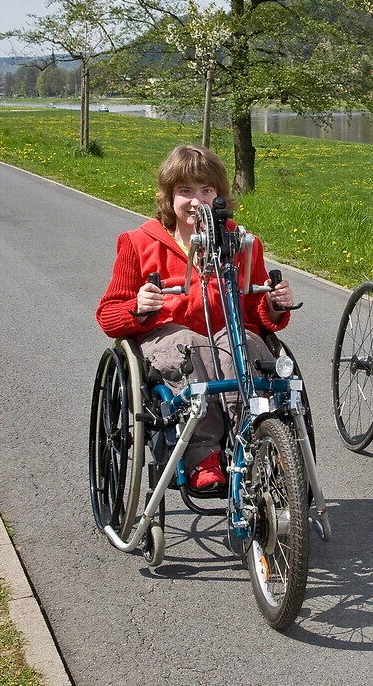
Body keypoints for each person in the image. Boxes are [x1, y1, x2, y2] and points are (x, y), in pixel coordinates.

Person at [96, 144, 294, 492]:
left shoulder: (243, 243)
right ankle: (202, 453)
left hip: (228, 339)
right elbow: (108, 316)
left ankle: (254, 442)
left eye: (206, 190)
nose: (195, 201)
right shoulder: (137, 242)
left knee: (242, 345)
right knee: (190, 345)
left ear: (220, 196)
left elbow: (256, 315)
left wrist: (275, 306)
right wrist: (139, 308)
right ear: (168, 196)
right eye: (185, 191)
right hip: (169, 341)